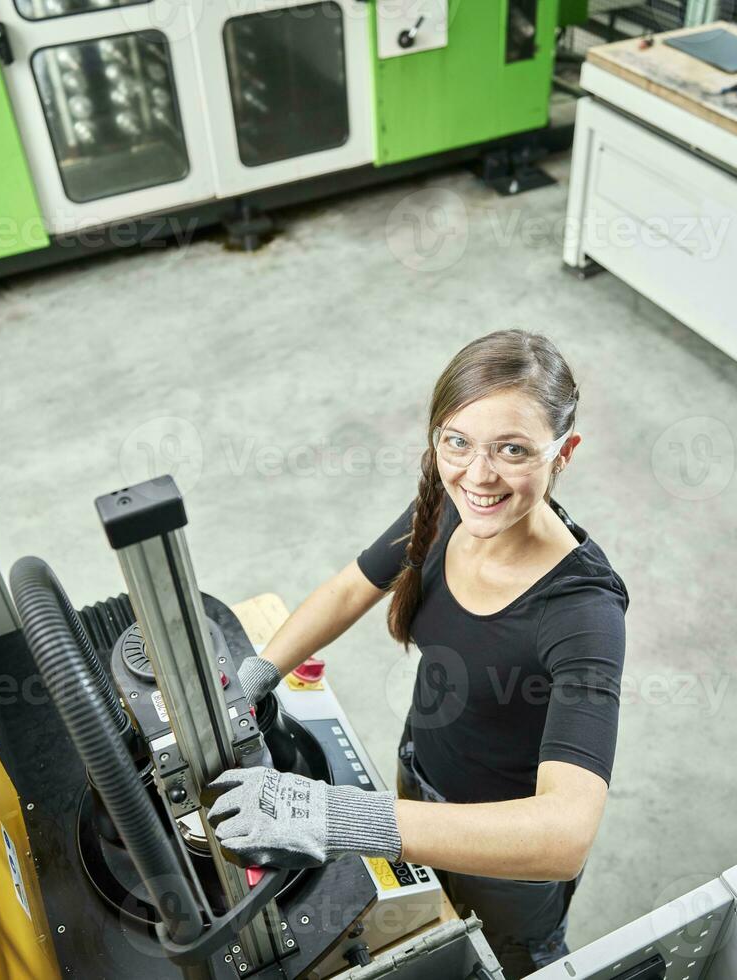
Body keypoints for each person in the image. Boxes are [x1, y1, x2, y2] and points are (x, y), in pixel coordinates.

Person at [208, 329, 628, 978]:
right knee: (432, 927)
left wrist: (333, 814)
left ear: (563, 453)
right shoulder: (445, 507)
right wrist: (258, 674)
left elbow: (562, 836)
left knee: (510, 958)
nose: (477, 475)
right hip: (419, 778)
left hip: (506, 852)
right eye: (456, 441)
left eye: (512, 450)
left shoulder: (583, 614)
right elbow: (353, 585)